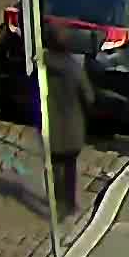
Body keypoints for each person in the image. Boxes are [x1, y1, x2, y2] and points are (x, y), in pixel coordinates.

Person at [40, 34, 94, 216]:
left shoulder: (42, 67)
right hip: (72, 127)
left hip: (51, 127)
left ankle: (57, 201)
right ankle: (69, 203)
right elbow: (88, 97)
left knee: (54, 166)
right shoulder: (74, 69)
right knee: (70, 167)